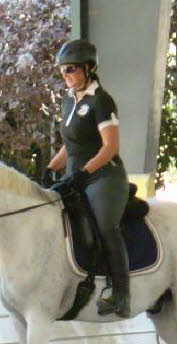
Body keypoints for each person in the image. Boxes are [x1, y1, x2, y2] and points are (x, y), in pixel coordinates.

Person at [46, 39, 131, 317]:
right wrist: (51, 168)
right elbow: (71, 143)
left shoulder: (102, 101)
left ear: (88, 68)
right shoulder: (69, 100)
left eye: (70, 69)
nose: (65, 75)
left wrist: (84, 173)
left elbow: (110, 147)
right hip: (75, 176)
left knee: (106, 225)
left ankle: (121, 294)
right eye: (62, 70)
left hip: (103, 177)